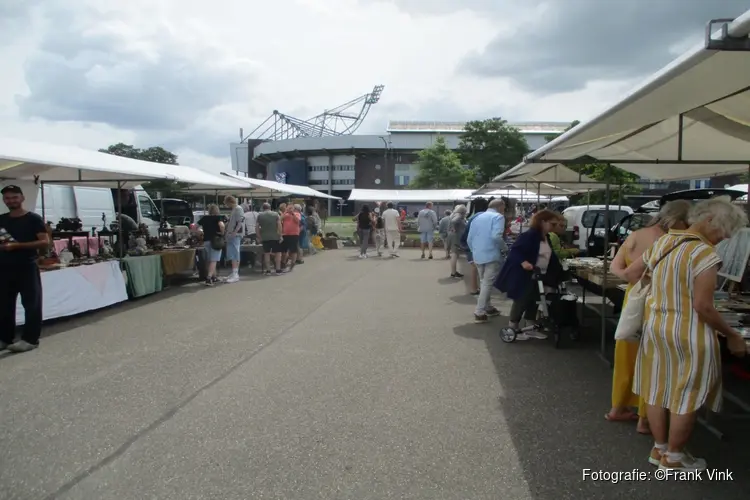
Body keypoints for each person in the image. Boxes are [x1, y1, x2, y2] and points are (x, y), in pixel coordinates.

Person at [621, 198, 747, 471]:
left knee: (656, 389)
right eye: (724, 230)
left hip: (656, 329)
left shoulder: (664, 242)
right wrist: (732, 335)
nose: (724, 237)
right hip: (690, 335)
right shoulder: (704, 254)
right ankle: (675, 458)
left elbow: (631, 273)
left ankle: (660, 449)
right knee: (687, 395)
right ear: (709, 220)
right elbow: (703, 306)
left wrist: (661, 290)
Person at [606, 200, 691, 433]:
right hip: (660, 300)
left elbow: (616, 269)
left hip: (634, 298)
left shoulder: (636, 234)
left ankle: (617, 407)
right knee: (652, 359)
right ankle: (645, 418)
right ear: (681, 220)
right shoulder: (675, 240)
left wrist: (633, 277)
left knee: (626, 353)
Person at [495, 209, 562, 340]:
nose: (555, 227)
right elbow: (514, 251)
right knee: (521, 300)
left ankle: (530, 327)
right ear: (543, 222)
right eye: (553, 224)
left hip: (539, 275)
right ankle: (512, 327)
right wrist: (523, 262)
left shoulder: (546, 237)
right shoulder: (529, 235)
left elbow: (549, 255)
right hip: (524, 274)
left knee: (534, 299)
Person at [0, 185, 50, 352]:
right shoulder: (1, 219)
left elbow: (45, 241)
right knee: (4, 305)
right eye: (7, 198)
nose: (11, 201)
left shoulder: (33, 219)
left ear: (22, 198)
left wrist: (18, 245)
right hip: (5, 267)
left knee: (31, 304)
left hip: (27, 266)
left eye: (14, 197)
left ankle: (30, 339)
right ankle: (5, 338)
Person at [467, 199, 507, 323]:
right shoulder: (498, 217)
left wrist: (474, 250)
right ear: (500, 207)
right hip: (492, 254)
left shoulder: (476, 217)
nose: (504, 210)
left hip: (478, 254)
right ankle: (479, 311)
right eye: (504, 207)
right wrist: (505, 248)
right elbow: (496, 236)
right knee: (487, 283)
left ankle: (488, 307)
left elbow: (469, 239)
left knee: (484, 282)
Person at [461, 198, 489, 296]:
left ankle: (474, 288)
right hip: (478, 246)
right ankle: (477, 289)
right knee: (480, 268)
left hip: (471, 245)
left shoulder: (473, 217)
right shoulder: (484, 216)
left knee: (474, 267)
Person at [198, 205, 226, 286]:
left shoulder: (204, 218)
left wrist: (199, 233)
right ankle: (209, 278)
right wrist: (222, 233)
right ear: (217, 210)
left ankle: (214, 277)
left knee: (210, 260)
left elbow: (195, 227)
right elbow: (222, 225)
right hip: (216, 240)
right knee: (214, 260)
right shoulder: (218, 218)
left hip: (206, 241)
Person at [256, 203, 284, 275]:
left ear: (263, 208)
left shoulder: (260, 215)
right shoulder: (276, 214)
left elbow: (257, 227)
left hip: (265, 237)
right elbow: (279, 225)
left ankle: (268, 270)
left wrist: (259, 236)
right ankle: (278, 269)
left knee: (267, 253)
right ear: (270, 207)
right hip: (275, 236)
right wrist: (280, 235)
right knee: (278, 253)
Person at [222, 195, 244, 284]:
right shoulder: (235, 209)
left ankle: (235, 274)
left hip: (234, 235)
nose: (226, 205)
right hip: (232, 234)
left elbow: (240, 222)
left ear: (229, 202)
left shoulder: (238, 209)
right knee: (233, 253)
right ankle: (234, 273)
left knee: (235, 253)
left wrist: (234, 232)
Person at [447, 204, 468, 279]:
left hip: (452, 235)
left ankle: (454, 272)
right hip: (456, 236)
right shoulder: (459, 215)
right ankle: (453, 272)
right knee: (455, 254)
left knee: (454, 254)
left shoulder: (453, 214)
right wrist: (454, 228)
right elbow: (454, 221)